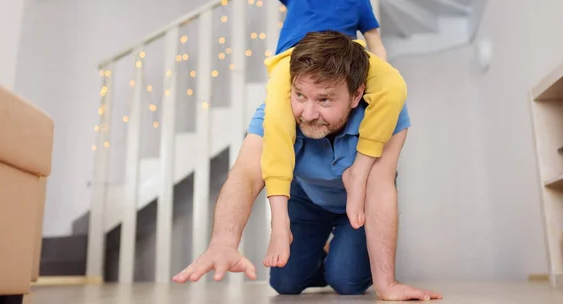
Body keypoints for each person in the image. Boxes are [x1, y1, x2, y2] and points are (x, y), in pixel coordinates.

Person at [189, 0, 408, 268]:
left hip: (346, 60)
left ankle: (359, 172)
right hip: (292, 64)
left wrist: (379, 72)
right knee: (276, 126)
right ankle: (282, 218)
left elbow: (374, 40)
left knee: (396, 88)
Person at [173, 32, 442, 301]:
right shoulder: (275, 113)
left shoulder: (387, 112)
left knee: (346, 281)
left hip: (360, 204)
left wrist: (388, 284)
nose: (308, 113)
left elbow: (381, 186)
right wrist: (223, 240)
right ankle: (324, 250)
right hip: (307, 198)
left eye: (324, 100)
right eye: (300, 95)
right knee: (285, 283)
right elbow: (245, 174)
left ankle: (339, 256)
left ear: (355, 95)